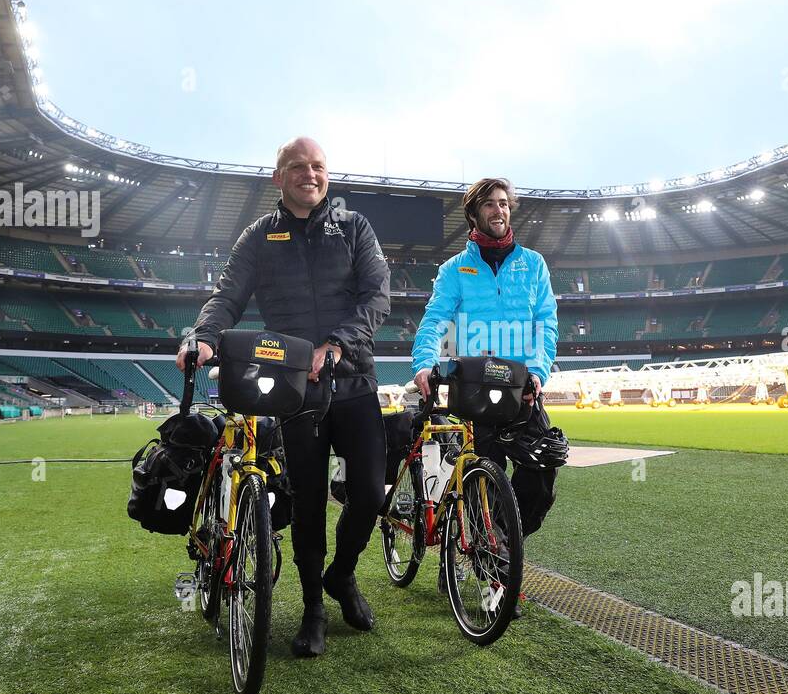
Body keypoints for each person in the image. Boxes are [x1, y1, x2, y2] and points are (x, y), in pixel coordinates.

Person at [178, 136, 390, 657]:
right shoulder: (258, 236)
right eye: (298, 167)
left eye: (318, 166)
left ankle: (343, 574)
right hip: (295, 391)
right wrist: (204, 338)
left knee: (368, 493)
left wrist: (336, 344)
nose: (309, 175)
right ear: (279, 177)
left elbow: (377, 294)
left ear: (328, 175)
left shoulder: (355, 227)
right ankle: (314, 606)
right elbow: (228, 294)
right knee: (308, 500)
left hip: (354, 381)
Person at [410, 178, 560, 606]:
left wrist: (537, 372)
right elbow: (436, 319)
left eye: (504, 204)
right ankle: (489, 565)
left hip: (522, 390)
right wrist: (423, 363)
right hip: (475, 389)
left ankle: (498, 540)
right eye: (490, 205)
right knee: (483, 483)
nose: (500, 211)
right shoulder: (455, 269)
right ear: (474, 214)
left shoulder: (533, 264)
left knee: (541, 479)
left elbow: (545, 324)